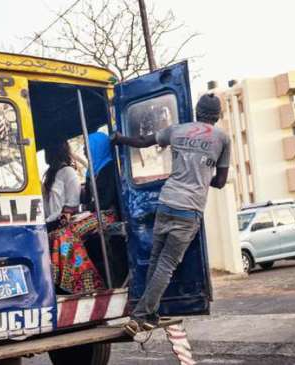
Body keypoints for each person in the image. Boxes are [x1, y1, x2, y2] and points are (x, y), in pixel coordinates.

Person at [112, 93, 230, 335]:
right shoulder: (222, 139)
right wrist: (203, 174)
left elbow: (144, 141)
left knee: (156, 261)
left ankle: (150, 313)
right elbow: (220, 181)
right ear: (217, 116)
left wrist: (119, 138)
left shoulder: (176, 130)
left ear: (197, 111)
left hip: (166, 202)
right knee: (166, 265)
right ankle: (140, 316)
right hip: (189, 210)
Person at [42, 141, 107, 294]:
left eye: (48, 150)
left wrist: (59, 219)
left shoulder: (68, 172)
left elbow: (72, 204)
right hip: (49, 221)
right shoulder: (50, 174)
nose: (46, 154)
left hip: (61, 220)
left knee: (62, 238)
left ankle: (81, 286)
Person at [81, 131, 117, 212]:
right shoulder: (91, 171)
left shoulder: (110, 169)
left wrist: (84, 208)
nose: (84, 152)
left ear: (98, 148)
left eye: (87, 148)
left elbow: (106, 202)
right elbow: (88, 198)